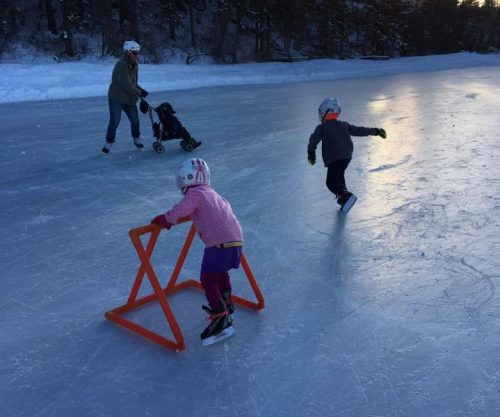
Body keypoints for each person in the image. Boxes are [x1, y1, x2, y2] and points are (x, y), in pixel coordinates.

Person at [151, 158, 243, 346]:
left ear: (186, 179)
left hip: (218, 244)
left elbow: (182, 208)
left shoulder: (196, 193)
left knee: (208, 280)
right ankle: (226, 300)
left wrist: (167, 219)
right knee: (220, 273)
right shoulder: (212, 193)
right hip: (236, 240)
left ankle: (220, 314)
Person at [307, 97, 387, 213]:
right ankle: (343, 197)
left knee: (330, 182)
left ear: (325, 112)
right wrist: (376, 131)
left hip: (334, 158)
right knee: (339, 177)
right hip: (346, 156)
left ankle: (345, 196)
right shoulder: (344, 124)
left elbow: (313, 140)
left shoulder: (322, 128)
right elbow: (359, 130)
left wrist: (311, 152)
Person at [102, 40, 149, 154]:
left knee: (135, 121)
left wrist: (141, 90)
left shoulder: (135, 65)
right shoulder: (121, 65)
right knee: (115, 121)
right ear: (127, 52)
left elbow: (133, 83)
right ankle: (109, 141)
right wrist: (138, 93)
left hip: (129, 98)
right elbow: (126, 84)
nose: (136, 55)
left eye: (137, 52)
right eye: (134, 53)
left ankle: (136, 138)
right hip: (117, 98)